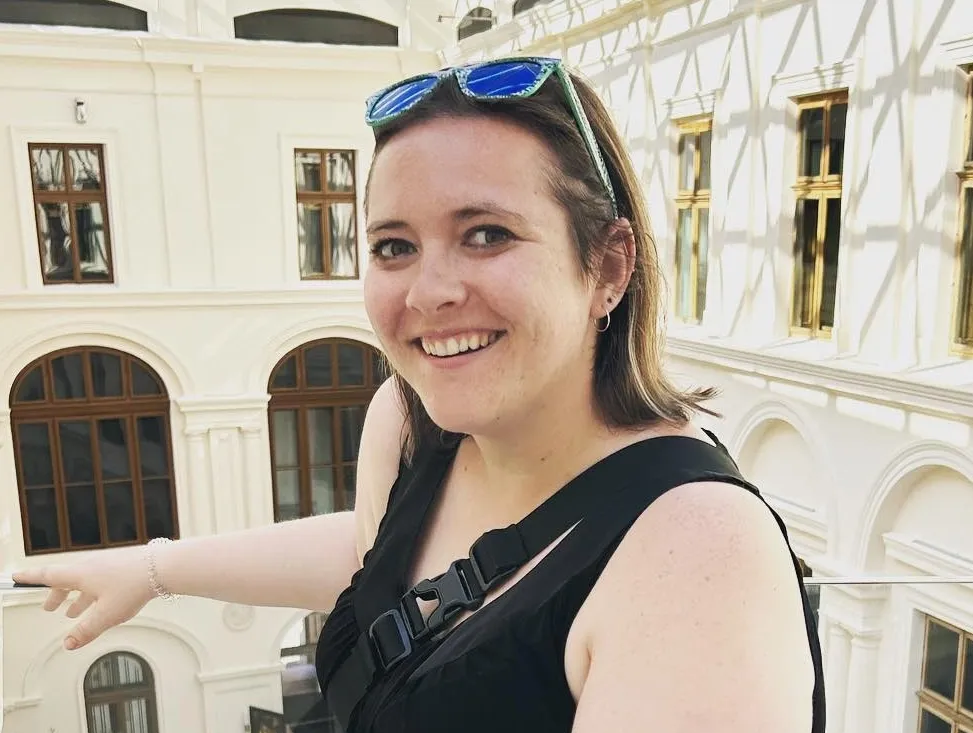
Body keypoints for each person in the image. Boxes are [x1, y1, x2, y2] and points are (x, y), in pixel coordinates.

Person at [15, 57, 825, 733]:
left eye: (486, 234)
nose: (429, 291)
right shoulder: (409, 424)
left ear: (608, 266)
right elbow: (379, 563)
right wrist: (154, 567)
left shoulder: (696, 552)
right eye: (394, 246)